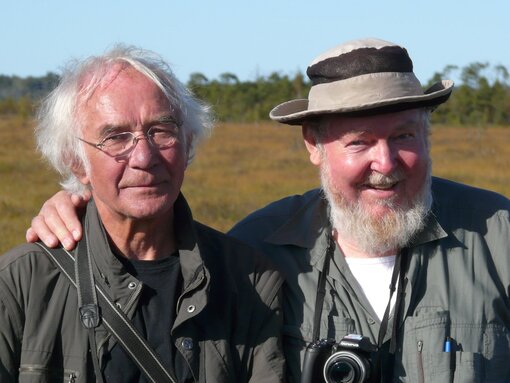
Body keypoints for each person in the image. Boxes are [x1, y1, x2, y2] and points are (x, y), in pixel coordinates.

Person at [26, 38, 510, 382]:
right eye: (358, 142)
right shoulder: (254, 254)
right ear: (314, 146)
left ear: (427, 135)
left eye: (404, 135)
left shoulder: (498, 237)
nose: (385, 164)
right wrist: (84, 205)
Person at [0, 45, 285, 382]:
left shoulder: (249, 280)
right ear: (77, 162)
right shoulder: (22, 282)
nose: (144, 156)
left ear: (187, 143)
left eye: (161, 130)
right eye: (116, 137)